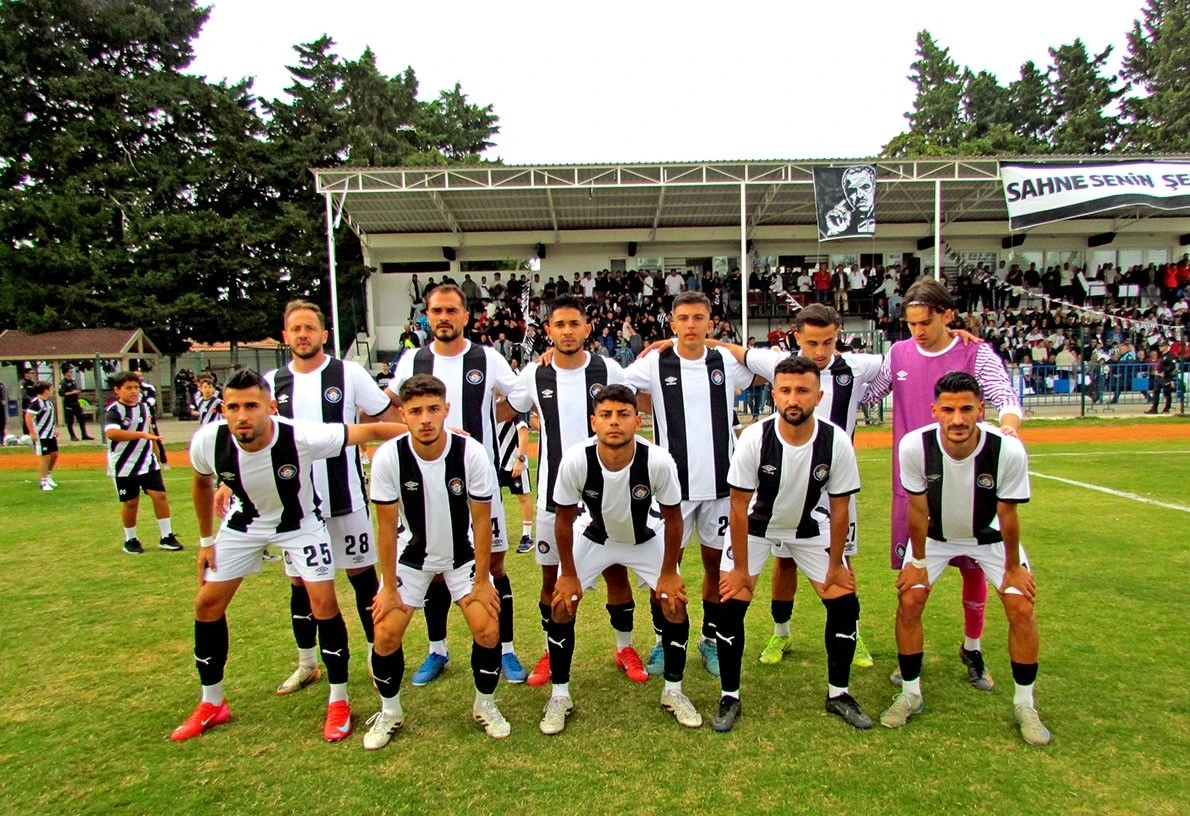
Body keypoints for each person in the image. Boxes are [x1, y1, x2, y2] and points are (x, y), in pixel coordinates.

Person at [173, 369, 405, 743]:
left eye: (251, 406)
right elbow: (200, 483)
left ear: (270, 407)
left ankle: (339, 699)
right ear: (223, 409)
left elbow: (373, 430)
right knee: (206, 604)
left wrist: (438, 434)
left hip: (300, 525)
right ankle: (212, 702)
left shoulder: (300, 436)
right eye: (233, 407)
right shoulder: (208, 441)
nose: (242, 415)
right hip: (244, 524)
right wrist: (204, 540)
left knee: (323, 603)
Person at [864, 279, 1022, 691]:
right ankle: (909, 659)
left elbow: (1005, 395)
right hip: (913, 485)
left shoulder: (975, 352)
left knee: (973, 567)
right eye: (911, 323)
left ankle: (972, 647)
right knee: (913, 574)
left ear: (947, 315)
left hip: (968, 481)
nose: (917, 331)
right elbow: (869, 394)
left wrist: (1008, 430)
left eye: (925, 322)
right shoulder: (898, 354)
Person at [881, 372, 1050, 746]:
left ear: (981, 409)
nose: (957, 419)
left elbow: (1008, 514)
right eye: (948, 410)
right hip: (936, 537)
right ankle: (910, 693)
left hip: (990, 538)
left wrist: (1012, 569)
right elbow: (917, 509)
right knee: (910, 601)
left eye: (966, 409)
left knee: (1021, 608)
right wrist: (918, 562)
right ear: (934, 410)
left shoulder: (1006, 449)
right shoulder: (915, 446)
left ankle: (1025, 704)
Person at [711, 303, 881, 669]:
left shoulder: (857, 366)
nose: (820, 351)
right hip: (781, 484)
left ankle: (852, 634)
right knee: (784, 561)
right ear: (797, 337)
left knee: (842, 564)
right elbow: (735, 350)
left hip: (831, 483)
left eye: (828, 342)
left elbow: (900, 360)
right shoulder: (779, 364)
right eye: (812, 342)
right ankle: (781, 632)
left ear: (838, 337)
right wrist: (674, 342)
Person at [715, 356, 871, 732]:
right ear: (774, 395)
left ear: (818, 396)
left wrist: (836, 565)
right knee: (731, 603)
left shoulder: (835, 441)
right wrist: (740, 570)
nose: (793, 399)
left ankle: (838, 693)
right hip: (755, 528)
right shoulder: (755, 438)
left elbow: (840, 508)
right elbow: (737, 507)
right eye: (785, 390)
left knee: (845, 603)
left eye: (802, 390)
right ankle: (729, 696)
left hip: (808, 526)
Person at [388, 284, 526, 685]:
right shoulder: (415, 359)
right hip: (428, 484)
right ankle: (437, 650)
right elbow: (393, 405)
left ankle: (505, 649)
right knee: (434, 567)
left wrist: (488, 418)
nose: (444, 317)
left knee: (494, 564)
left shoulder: (487, 357)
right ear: (427, 316)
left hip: (479, 482)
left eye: (452, 310)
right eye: (437, 311)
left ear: (466, 316)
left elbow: (520, 397)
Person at [544, 385, 700, 734]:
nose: (614, 422)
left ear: (637, 420)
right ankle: (559, 696)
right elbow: (563, 520)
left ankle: (673, 691)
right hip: (595, 536)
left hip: (644, 537)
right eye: (606, 415)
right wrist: (567, 573)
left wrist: (669, 572)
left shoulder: (657, 460)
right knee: (562, 604)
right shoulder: (576, 459)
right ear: (594, 422)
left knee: (673, 602)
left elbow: (674, 519)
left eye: (623, 414)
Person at [363, 374, 509, 747]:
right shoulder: (389, 456)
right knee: (385, 632)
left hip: (461, 555)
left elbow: (481, 522)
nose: (425, 419)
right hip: (412, 556)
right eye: (415, 411)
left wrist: (481, 581)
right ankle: (390, 711)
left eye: (432, 409)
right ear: (403, 414)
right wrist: (389, 586)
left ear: (446, 410)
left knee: (488, 628)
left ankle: (485, 704)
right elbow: (385, 527)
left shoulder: (470, 453)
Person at [263, 300, 399, 695]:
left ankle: (377, 654)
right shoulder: (272, 382)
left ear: (323, 334)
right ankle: (307, 663)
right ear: (285, 336)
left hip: (345, 498)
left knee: (363, 581)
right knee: (300, 585)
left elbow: (380, 413)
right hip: (295, 506)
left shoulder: (348, 373)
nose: (303, 334)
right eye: (296, 328)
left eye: (310, 328)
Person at [507, 295, 642, 687]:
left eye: (574, 324)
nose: (567, 331)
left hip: (605, 494)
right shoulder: (534, 374)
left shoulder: (608, 368)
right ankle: (551, 652)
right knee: (553, 580)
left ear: (587, 328)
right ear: (548, 330)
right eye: (559, 324)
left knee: (616, 571)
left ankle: (624, 647)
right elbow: (507, 406)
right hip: (553, 496)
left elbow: (630, 410)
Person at [624, 291, 755, 680]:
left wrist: (727, 346)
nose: (691, 325)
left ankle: (710, 639)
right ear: (673, 324)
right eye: (683, 318)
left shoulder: (725, 361)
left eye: (699, 318)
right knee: (664, 566)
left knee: (716, 567)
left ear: (710, 323)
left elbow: (768, 367)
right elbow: (609, 378)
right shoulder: (655, 363)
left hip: (720, 485)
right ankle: (663, 639)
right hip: (672, 490)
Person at [104, 371, 183, 554]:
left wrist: (158, 456)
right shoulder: (114, 411)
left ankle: (166, 536)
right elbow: (112, 433)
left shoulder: (144, 408)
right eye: (129, 388)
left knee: (160, 496)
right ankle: (130, 539)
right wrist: (141, 435)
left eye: (136, 387)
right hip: (124, 465)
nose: (134, 391)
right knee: (131, 502)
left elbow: (150, 433)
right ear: (117, 390)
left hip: (147, 462)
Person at [494, 400, 534, 554]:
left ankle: (527, 536)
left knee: (523, 496)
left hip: (513, 462)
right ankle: (496, 532)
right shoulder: (491, 405)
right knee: (494, 498)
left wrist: (520, 459)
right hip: (496, 462)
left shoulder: (513, 406)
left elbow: (523, 433)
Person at [24, 381, 59, 491]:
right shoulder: (36, 403)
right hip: (41, 435)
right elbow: (28, 418)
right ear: (45, 391)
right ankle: (43, 482)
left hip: (50, 434)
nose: (52, 391)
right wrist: (32, 432)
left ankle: (48, 475)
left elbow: (50, 418)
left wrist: (54, 429)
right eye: (50, 389)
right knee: (45, 457)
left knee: (54, 454)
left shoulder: (49, 403)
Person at [59, 365, 93, 440]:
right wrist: (72, 392)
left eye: (71, 372)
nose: (71, 373)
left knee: (81, 419)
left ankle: (84, 434)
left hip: (76, 403)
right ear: (65, 373)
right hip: (68, 404)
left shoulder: (73, 381)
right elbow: (61, 394)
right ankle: (73, 436)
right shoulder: (63, 382)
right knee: (70, 421)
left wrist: (77, 391)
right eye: (70, 372)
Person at [1145, 340, 1176, 414]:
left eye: (1161, 346)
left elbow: (1172, 366)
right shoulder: (1163, 355)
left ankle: (1167, 408)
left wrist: (1165, 372)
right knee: (1156, 392)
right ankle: (1154, 408)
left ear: (1166, 346)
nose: (1159, 347)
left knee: (1167, 393)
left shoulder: (1170, 355)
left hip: (1166, 377)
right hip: (1159, 376)